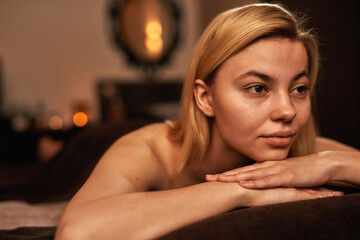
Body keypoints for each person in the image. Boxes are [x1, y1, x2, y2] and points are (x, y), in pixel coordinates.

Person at [55, 3, 360, 239]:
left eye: (299, 89)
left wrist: (329, 164)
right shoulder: (147, 152)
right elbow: (78, 230)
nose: (288, 111)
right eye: (258, 88)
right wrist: (241, 190)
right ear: (205, 98)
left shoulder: (301, 149)